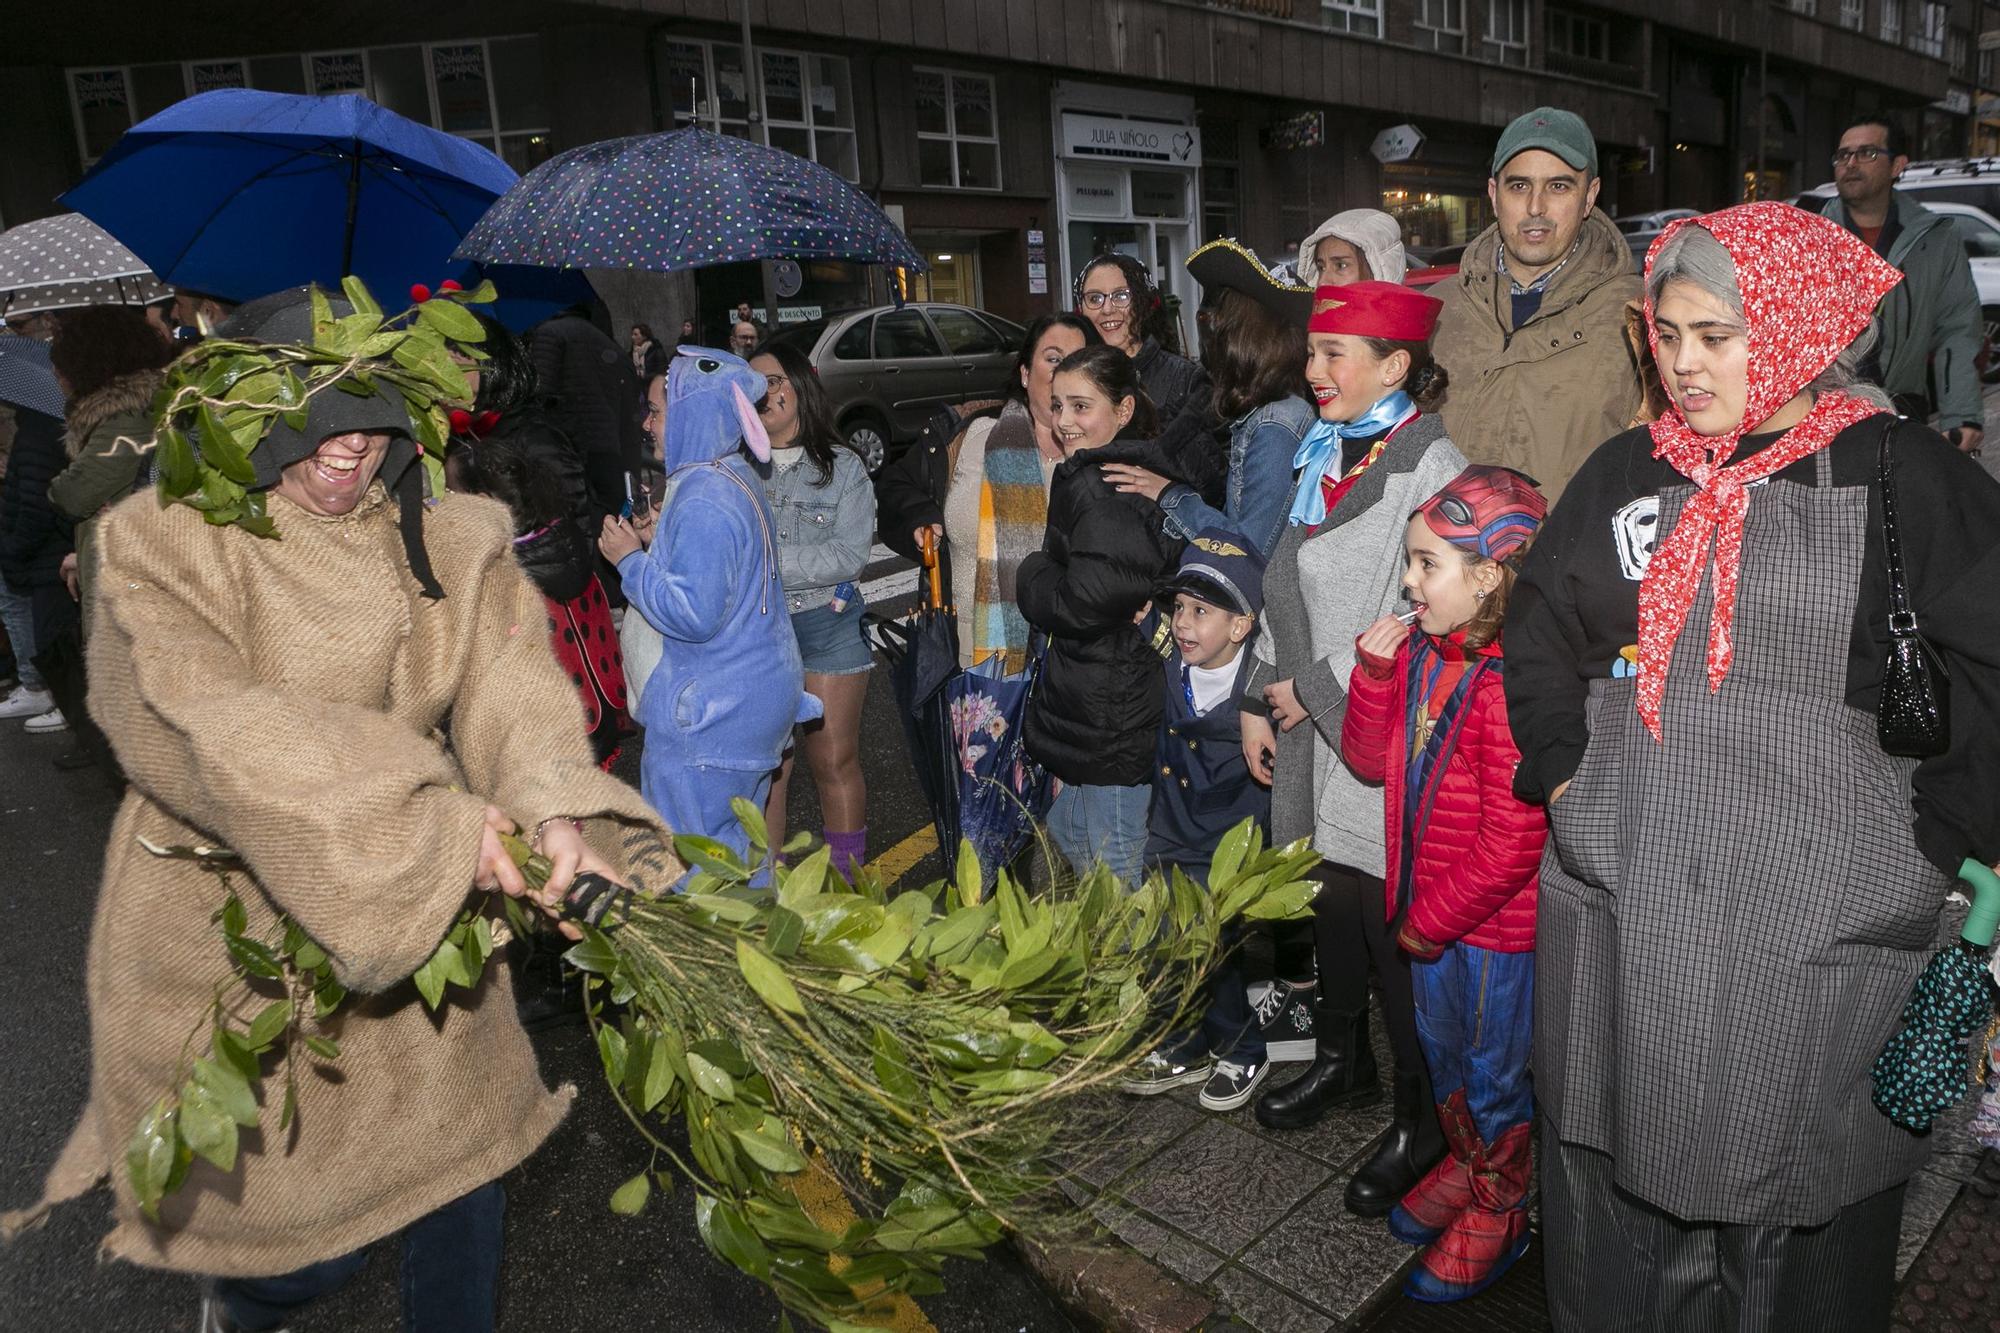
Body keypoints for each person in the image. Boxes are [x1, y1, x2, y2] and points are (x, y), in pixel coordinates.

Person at [3, 285, 673, 1333]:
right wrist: (435, 827)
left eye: (372, 417)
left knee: (461, 1177)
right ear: (246, 413)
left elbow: (511, 690)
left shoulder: (451, 539)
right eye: (318, 418)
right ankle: (244, 1302)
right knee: (297, 1241)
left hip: (426, 916)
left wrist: (549, 806)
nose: (349, 447)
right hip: (250, 942)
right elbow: (202, 728)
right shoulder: (162, 545)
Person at [1506, 203, 2000, 1331]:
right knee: (1622, 1208)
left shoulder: (1896, 475)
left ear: (1794, 327)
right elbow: (1535, 623)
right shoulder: (1628, 470)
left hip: (1816, 925)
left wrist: (1935, 839)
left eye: (1715, 335)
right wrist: (1565, 777)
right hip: (1629, 900)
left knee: (1797, 1228)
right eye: (1668, 333)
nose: (1682, 363)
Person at [1242, 281, 1465, 1223]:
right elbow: (1282, 570)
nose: (1315, 369)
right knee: (1328, 902)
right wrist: (1261, 687)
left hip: (1370, 725)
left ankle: (1424, 1118)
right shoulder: (1325, 446)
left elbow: (1429, 606)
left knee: (1389, 931)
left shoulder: (1431, 462)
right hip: (1309, 724)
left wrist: (1316, 686)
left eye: (1337, 352)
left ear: (1396, 365)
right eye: (1314, 350)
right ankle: (1347, 1062)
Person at [1343, 466, 1547, 1303]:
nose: (1409, 580)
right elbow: (1368, 762)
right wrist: (1375, 677)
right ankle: (1471, 1168)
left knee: (1496, 1069)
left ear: (1489, 575)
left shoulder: (1511, 683)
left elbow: (1515, 837)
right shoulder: (1429, 656)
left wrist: (1428, 918)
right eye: (1412, 561)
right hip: (1434, 916)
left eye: (1428, 563)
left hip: (1491, 930)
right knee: (1445, 1054)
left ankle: (1506, 1203)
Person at [599, 348, 816, 873]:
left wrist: (629, 561)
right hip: (753, 700)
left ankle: (715, 956)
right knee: (740, 854)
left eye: (658, 408)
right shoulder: (732, 474)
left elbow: (693, 614)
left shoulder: (701, 496)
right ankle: (763, 949)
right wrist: (661, 546)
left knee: (697, 870)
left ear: (692, 412)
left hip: (712, 717)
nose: (648, 423)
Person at [1018, 345, 1186, 884]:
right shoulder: (1104, 473)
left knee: (1116, 869)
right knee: (1076, 833)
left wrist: (1031, 573)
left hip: (1115, 708)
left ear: (1124, 410)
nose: (1065, 421)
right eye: (1058, 405)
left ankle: (1144, 968)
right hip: (1101, 700)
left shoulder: (1106, 485)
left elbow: (1081, 600)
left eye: (1081, 406)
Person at [1121, 530, 1276, 1110]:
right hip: (1169, 827)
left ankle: (1242, 1049)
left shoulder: (1257, 693)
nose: (1183, 624)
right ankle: (1184, 1044)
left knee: (1214, 946)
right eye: (1179, 608)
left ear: (1241, 627)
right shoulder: (1173, 657)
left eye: (1202, 612)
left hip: (1226, 841)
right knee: (1163, 940)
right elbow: (1151, 628)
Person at [1430, 107, 1643, 501]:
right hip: (1432, 559)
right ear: (1494, 195)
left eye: (1559, 187)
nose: (1535, 208)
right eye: (1519, 186)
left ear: (1590, 196)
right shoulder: (1437, 310)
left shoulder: (1638, 317)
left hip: (1565, 561)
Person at [874, 314, 1099, 673]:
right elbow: (895, 486)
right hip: (959, 656)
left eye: (1077, 360)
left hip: (1065, 667)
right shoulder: (971, 437)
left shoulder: (1102, 460)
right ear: (1025, 374)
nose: (1064, 370)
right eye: (1054, 358)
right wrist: (921, 521)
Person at [748, 341, 877, 879]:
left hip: (826, 622)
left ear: (800, 386)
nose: (766, 392)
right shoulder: (734, 468)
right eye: (753, 384)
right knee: (768, 768)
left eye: (776, 379)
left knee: (833, 761)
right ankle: (766, 890)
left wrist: (766, 559)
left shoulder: (843, 468)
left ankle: (850, 890)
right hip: (756, 631)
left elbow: (848, 555)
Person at [1105, 239, 1317, 560]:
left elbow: (1248, 551)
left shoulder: (1276, 425)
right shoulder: (1258, 413)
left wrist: (1169, 494)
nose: (1205, 323)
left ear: (1244, 333)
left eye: (1214, 316)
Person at [45, 304, 176, 777]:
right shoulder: (140, 409)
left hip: (132, 574)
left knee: (137, 704)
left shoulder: (124, 420)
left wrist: (63, 482)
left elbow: (74, 492)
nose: (56, 376)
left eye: (60, 365)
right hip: (127, 559)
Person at [1818, 116, 1984, 460]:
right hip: (1820, 413)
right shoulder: (1810, 234)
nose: (1850, 163)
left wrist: (1961, 414)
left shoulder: (1935, 239)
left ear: (1897, 165)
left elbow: (1957, 329)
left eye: (1866, 153)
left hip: (1903, 408)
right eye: (1842, 155)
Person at [526, 303, 646, 538]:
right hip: (611, 451)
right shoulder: (608, 343)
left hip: (573, 450)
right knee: (610, 527)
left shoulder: (549, 334)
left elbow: (540, 396)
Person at [1074, 252, 1214, 434]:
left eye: (1121, 296)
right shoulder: (1073, 374)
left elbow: (1214, 454)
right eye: (1094, 298)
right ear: (1080, 308)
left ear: (1144, 304)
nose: (1107, 309)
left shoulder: (1186, 379)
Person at [1294, 209, 1409, 288]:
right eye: (1321, 268)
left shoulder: (1408, 323)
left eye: (1340, 265)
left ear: (1376, 269)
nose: (1322, 282)